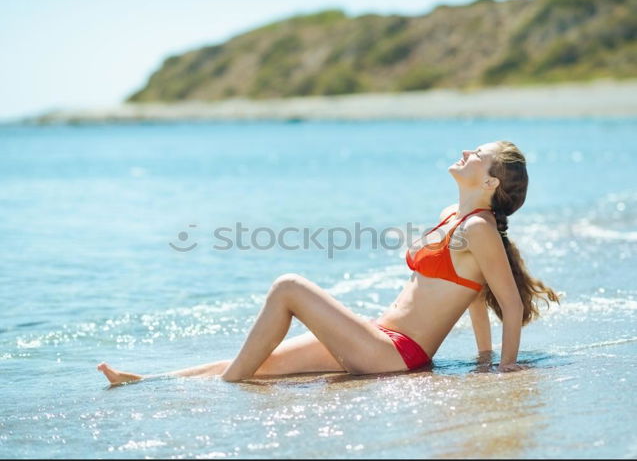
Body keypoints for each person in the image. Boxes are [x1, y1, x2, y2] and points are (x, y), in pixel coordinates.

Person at [98, 140, 560, 385]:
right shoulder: (451, 217)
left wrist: (502, 368)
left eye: (476, 155)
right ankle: (150, 381)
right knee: (260, 361)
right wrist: (480, 355)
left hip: (396, 356)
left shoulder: (478, 229)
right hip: (379, 338)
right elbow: (472, 295)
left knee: (288, 287)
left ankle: (226, 391)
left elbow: (508, 304)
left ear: (490, 183)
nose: (465, 153)